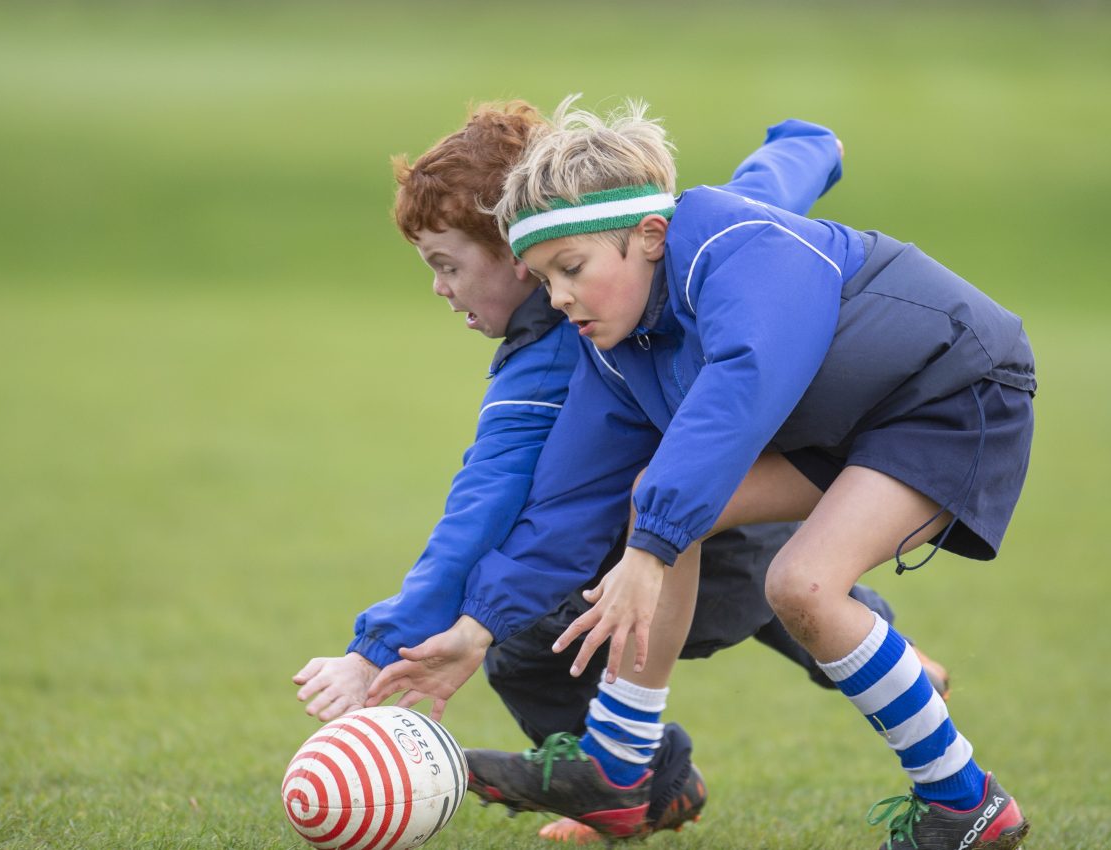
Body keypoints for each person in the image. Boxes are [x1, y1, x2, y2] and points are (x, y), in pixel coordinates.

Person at [292, 101, 949, 844]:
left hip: (679, 522)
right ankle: (887, 659)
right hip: (710, 513)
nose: (440, 288)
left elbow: (478, 513)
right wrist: (808, 143)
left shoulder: (542, 363)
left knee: (534, 648)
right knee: (755, 573)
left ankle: (638, 787)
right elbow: (761, 190)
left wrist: (376, 649)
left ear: (516, 253)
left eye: (446, 265)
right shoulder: (645, 256)